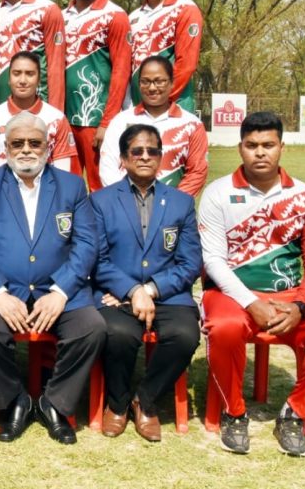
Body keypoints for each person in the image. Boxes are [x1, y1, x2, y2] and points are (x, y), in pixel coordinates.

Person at [199, 111, 305, 456]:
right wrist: (250, 302)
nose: (260, 153)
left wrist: (301, 305)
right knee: (224, 327)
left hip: (290, 296)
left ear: (281, 147)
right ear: (239, 148)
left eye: (268, 145)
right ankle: (234, 411)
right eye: (252, 145)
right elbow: (212, 261)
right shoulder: (217, 194)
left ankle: (295, 412)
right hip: (232, 294)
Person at [0, 111, 106, 445]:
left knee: (92, 329)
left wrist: (60, 291)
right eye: (17, 143)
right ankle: (16, 400)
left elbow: (87, 243)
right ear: (5, 148)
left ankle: (53, 402)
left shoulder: (72, 185)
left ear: (48, 146)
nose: (26, 149)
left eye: (34, 142)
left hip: (58, 289)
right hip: (1, 290)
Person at [90, 124, 201, 442]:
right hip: (117, 294)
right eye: (136, 151)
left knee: (184, 335)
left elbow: (190, 262)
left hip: (168, 295)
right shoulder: (100, 201)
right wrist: (131, 290)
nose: (145, 156)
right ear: (123, 159)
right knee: (119, 334)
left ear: (161, 158)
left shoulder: (180, 203)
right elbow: (97, 258)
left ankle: (146, 400)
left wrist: (150, 289)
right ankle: (118, 403)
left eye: (152, 150)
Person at [63, 0, 131, 192]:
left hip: (96, 118)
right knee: (65, 187)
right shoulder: (61, 16)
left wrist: (108, 122)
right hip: (66, 119)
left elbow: (122, 70)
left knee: (101, 186)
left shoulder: (114, 15)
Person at [99, 55, 208, 196]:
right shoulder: (120, 121)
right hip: (126, 207)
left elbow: (197, 173)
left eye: (159, 81)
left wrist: (172, 205)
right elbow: (108, 166)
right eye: (145, 81)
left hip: (172, 212)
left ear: (172, 83)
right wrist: (127, 201)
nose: (152, 87)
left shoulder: (192, 124)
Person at [0, 52, 76, 174]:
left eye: (30, 74)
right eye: (16, 74)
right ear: (9, 79)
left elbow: (62, 173)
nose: (22, 80)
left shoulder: (57, 119)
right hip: (3, 190)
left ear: (39, 80)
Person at [129, 0, 203, 114]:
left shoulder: (185, 9)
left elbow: (186, 64)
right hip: (138, 109)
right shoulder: (133, 17)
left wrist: (160, 103)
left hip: (174, 107)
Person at [0, 0, 65, 109]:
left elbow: (56, 65)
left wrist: (56, 113)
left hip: (38, 104)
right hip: (0, 105)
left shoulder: (47, 9)